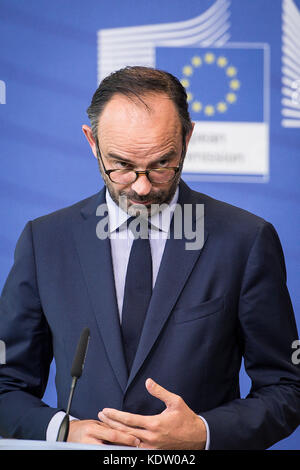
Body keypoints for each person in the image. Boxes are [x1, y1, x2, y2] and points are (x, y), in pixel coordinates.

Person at [0, 66, 299, 450]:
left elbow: (287, 387)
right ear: (92, 142)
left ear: (187, 139)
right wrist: (62, 431)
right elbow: (6, 384)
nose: (142, 187)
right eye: (122, 165)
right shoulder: (45, 241)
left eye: (161, 164)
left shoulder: (246, 240)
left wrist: (205, 433)